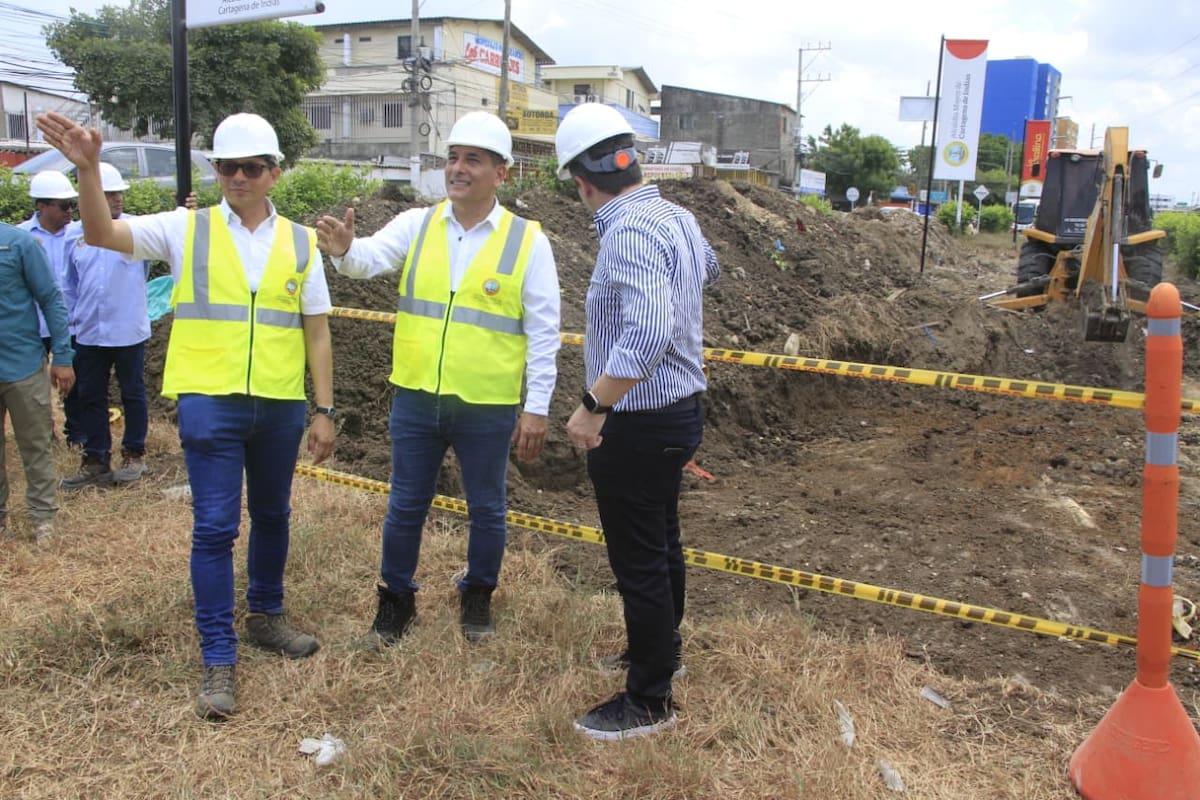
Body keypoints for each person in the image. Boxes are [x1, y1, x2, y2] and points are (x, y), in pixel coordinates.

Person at [36, 110, 336, 721]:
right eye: (228, 167)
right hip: (209, 403)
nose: (238, 177)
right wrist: (88, 171)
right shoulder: (184, 228)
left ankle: (266, 616)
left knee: (275, 514)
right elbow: (100, 233)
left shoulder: (302, 242)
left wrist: (323, 409)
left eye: (251, 167)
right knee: (215, 528)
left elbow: (317, 331)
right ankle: (218, 655)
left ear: (274, 173)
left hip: (279, 405)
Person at [315, 111, 560, 646]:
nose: (458, 168)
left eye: (473, 159)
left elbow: (545, 333)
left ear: (502, 172)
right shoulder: (420, 223)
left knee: (488, 509)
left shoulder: (528, 242)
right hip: (418, 395)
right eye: (452, 157)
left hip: (487, 403)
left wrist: (536, 406)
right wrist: (343, 251)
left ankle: (478, 598)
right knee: (405, 504)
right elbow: (369, 259)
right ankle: (396, 602)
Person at [555, 103, 719, 741]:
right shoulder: (676, 215)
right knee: (662, 539)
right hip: (678, 409)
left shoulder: (626, 232)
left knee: (639, 557)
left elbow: (646, 335)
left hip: (638, 417)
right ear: (632, 156)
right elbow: (707, 268)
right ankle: (660, 655)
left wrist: (593, 407)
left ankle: (648, 700)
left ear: (580, 179)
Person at [59, 163, 151, 488]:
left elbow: (144, 273)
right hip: (89, 331)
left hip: (127, 330)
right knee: (91, 395)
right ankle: (96, 458)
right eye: (108, 194)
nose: (116, 200)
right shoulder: (74, 236)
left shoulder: (137, 230)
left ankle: (134, 453)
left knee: (132, 393)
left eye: (118, 194)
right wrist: (71, 323)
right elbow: (70, 285)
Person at [0, 221, 75, 545]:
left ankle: (43, 518)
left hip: (21, 364)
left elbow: (51, 299)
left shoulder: (17, 244)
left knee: (35, 444)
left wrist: (62, 355)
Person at [19, 170, 83, 446]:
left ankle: (76, 434)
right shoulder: (21, 237)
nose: (70, 211)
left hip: (71, 323)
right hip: (34, 325)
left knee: (74, 383)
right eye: (63, 205)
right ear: (41, 206)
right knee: (34, 386)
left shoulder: (80, 234)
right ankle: (45, 435)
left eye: (72, 204)